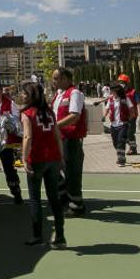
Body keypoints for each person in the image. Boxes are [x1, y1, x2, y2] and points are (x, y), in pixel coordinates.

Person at [19, 81, 65, 248]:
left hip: (37, 159)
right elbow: (57, 135)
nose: (22, 95)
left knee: (35, 199)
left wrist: (24, 158)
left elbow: (27, 137)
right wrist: (61, 157)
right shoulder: (50, 112)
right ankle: (60, 236)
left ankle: (37, 236)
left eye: (24, 93)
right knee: (54, 198)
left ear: (30, 96)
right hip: (53, 158)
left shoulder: (27, 114)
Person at [51, 67, 88, 216]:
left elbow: (74, 116)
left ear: (65, 79)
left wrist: (55, 126)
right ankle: (64, 196)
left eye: (56, 78)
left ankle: (76, 206)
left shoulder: (75, 93)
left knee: (72, 172)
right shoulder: (59, 95)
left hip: (70, 139)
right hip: (59, 138)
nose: (53, 81)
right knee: (55, 169)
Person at [0, 80, 24, 204]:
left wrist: (8, 124)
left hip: (7, 142)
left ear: (1, 90)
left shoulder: (11, 104)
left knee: (9, 167)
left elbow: (17, 121)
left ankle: (16, 192)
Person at [104, 83, 132, 166]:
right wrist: (104, 116)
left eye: (112, 91)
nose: (111, 92)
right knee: (115, 142)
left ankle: (121, 159)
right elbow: (107, 109)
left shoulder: (125, 98)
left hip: (123, 124)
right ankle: (120, 154)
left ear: (117, 91)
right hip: (113, 125)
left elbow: (131, 109)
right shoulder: (111, 99)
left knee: (120, 141)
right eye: (111, 91)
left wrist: (129, 118)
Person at [117, 74, 140, 155]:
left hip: (132, 116)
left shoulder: (133, 92)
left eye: (122, 82)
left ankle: (133, 149)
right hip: (122, 116)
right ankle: (132, 146)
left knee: (130, 133)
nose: (121, 84)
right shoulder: (119, 92)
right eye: (120, 82)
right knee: (123, 133)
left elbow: (138, 103)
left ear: (127, 83)